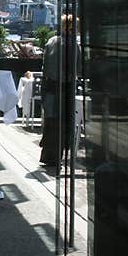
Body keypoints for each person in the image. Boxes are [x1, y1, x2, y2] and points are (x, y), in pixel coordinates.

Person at [39, 14, 81, 168]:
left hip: (50, 87)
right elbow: (78, 69)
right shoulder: (73, 46)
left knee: (51, 122)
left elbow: (45, 67)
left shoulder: (51, 41)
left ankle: (48, 156)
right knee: (64, 123)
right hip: (65, 88)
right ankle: (58, 156)